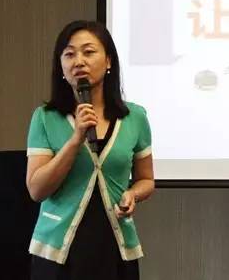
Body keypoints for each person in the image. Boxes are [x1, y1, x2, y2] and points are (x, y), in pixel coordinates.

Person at [26, 20, 154, 280]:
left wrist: (132, 194)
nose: (79, 61)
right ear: (61, 67)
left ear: (108, 61)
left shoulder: (135, 117)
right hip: (58, 252)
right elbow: (37, 189)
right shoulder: (45, 117)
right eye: (69, 54)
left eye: (88, 52)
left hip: (115, 247)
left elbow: (146, 180)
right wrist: (75, 140)